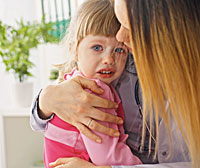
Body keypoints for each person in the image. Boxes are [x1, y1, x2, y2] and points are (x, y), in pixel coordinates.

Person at [30, 0, 200, 167]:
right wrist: (45, 99)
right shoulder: (94, 81)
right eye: (97, 47)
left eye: (129, 26)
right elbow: (39, 120)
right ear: (74, 49)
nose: (120, 36)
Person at [42, 0, 141, 167]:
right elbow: (107, 156)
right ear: (74, 49)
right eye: (97, 48)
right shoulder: (93, 91)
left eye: (119, 50)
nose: (109, 60)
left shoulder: (73, 80)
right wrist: (139, 165)